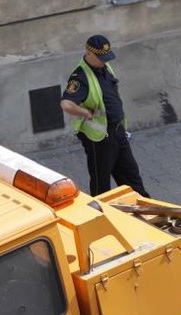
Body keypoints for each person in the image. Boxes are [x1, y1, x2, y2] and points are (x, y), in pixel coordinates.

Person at [60, 34, 149, 197]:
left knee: (132, 178)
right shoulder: (80, 77)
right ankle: (100, 216)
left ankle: (144, 213)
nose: (104, 61)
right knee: (101, 186)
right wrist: (85, 113)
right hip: (99, 139)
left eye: (106, 57)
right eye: (101, 58)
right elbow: (66, 104)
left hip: (118, 132)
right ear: (89, 53)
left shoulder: (105, 68)